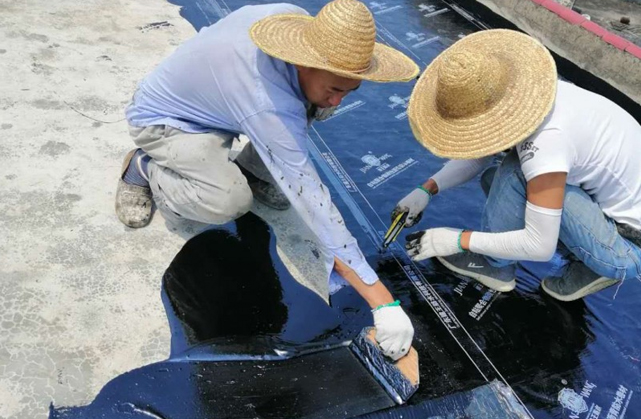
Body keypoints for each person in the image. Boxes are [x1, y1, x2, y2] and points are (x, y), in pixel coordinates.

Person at [115, 0, 420, 359]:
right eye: (335, 87)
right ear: (305, 61)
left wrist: (323, 97)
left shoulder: (295, 23)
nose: (338, 101)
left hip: (223, 103)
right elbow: (312, 200)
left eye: (348, 91)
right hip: (168, 121)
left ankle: (255, 172)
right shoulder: (265, 97)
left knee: (311, 104)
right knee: (229, 202)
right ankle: (143, 168)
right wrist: (381, 300)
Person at [393, 29, 641, 301]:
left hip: (627, 248)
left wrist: (457, 239)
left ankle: (495, 266)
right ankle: (593, 261)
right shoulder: (540, 96)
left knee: (515, 171)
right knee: (495, 176)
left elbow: (540, 245)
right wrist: (427, 189)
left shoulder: (546, 143)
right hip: (621, 220)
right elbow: (482, 153)